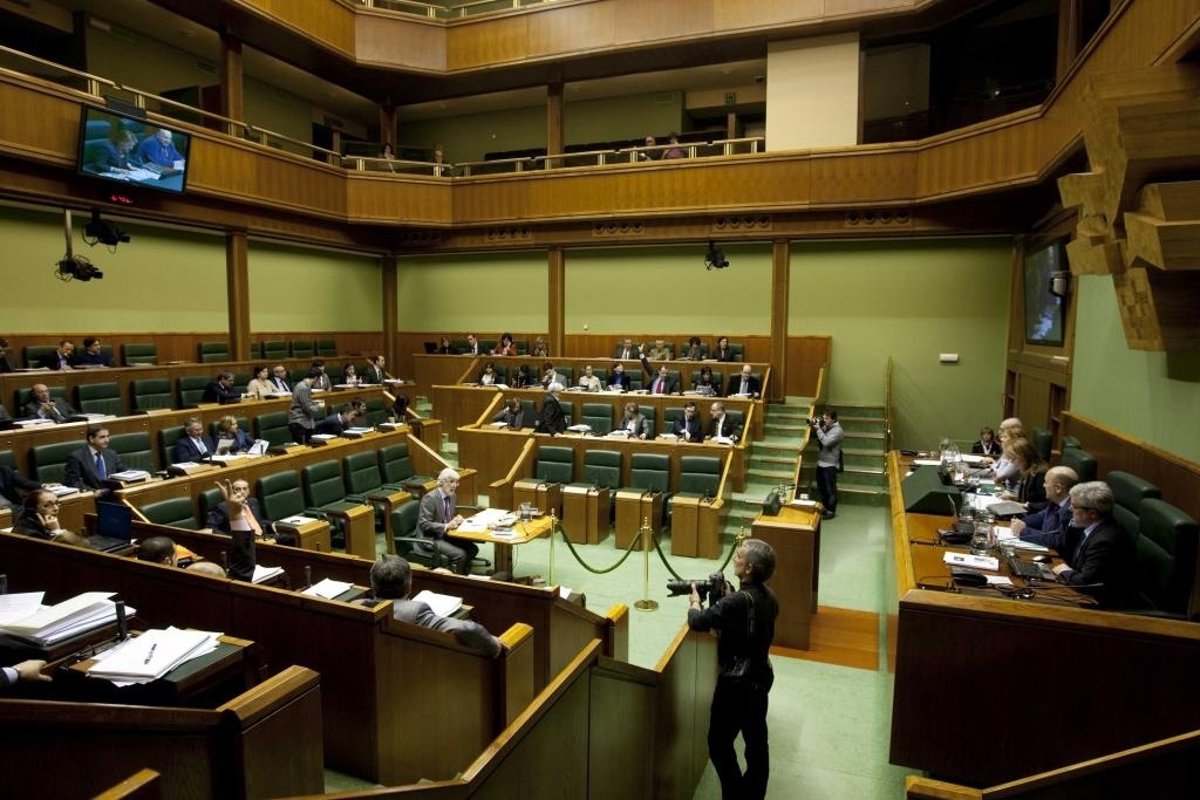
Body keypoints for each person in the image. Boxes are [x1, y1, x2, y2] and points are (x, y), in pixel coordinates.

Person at [687, 539, 779, 800]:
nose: (734, 559)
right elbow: (750, 628)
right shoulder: (769, 597)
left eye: (739, 556)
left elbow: (698, 621)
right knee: (757, 745)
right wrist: (728, 599)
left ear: (749, 568)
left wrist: (695, 602)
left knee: (718, 743)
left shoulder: (737, 602)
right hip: (761, 676)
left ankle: (735, 794)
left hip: (736, 685)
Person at [368, 554, 502, 656]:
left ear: (373, 585)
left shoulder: (360, 607)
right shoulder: (416, 612)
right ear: (409, 585)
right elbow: (470, 630)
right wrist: (494, 645)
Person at [1051, 481, 1137, 608]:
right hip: (1085, 593)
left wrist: (1064, 571)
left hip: (1103, 606)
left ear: (1092, 513)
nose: (1069, 509)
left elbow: (1085, 583)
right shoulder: (1093, 527)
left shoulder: (1105, 541)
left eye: (1074, 507)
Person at [207, 478, 278, 580]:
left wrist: (270, 525)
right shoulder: (222, 507)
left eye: (244, 489)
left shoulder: (253, 502)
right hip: (243, 543)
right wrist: (232, 538)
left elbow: (258, 521)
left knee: (288, 539)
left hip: (262, 537)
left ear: (249, 491)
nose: (242, 492)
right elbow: (210, 527)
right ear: (232, 491)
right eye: (238, 489)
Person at [416, 468, 479, 575]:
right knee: (460, 555)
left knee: (472, 549)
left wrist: (456, 518)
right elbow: (425, 525)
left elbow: (446, 516)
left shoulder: (452, 496)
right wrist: (446, 526)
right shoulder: (430, 498)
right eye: (451, 481)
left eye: (456, 482)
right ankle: (453, 580)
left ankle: (463, 575)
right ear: (441, 482)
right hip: (431, 538)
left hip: (446, 534)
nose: (455, 485)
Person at [1010, 466, 1078, 548]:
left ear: (1058, 488)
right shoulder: (1056, 503)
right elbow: (1039, 517)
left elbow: (1058, 540)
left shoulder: (1072, 510)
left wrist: (1023, 531)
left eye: (1046, 482)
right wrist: (1018, 522)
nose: (1043, 485)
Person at [64, 425, 126, 492]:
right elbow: (73, 482)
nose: (107, 440)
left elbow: (123, 473)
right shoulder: (76, 457)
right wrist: (93, 492)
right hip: (92, 496)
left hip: (114, 493)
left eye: (108, 436)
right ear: (91, 439)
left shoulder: (111, 454)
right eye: (102, 437)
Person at [999, 437, 1049, 512]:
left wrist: (1024, 505)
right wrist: (1013, 497)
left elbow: (1048, 504)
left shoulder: (1040, 473)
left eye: (1014, 458)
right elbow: (1029, 498)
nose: (1011, 462)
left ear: (1025, 456)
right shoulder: (1027, 469)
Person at [811, 408, 843, 520]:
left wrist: (819, 429)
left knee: (830, 490)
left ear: (834, 419)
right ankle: (825, 507)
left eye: (827, 419)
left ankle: (831, 511)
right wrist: (813, 426)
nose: (824, 420)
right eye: (824, 418)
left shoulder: (838, 431)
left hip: (830, 465)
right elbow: (816, 436)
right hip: (821, 463)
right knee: (822, 488)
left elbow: (827, 442)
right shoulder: (826, 427)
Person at [288, 367, 324, 444]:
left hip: (304, 422)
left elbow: (303, 402)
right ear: (316, 378)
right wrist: (319, 406)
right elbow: (308, 408)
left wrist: (313, 402)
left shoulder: (305, 386)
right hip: (299, 423)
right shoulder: (303, 387)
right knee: (302, 448)